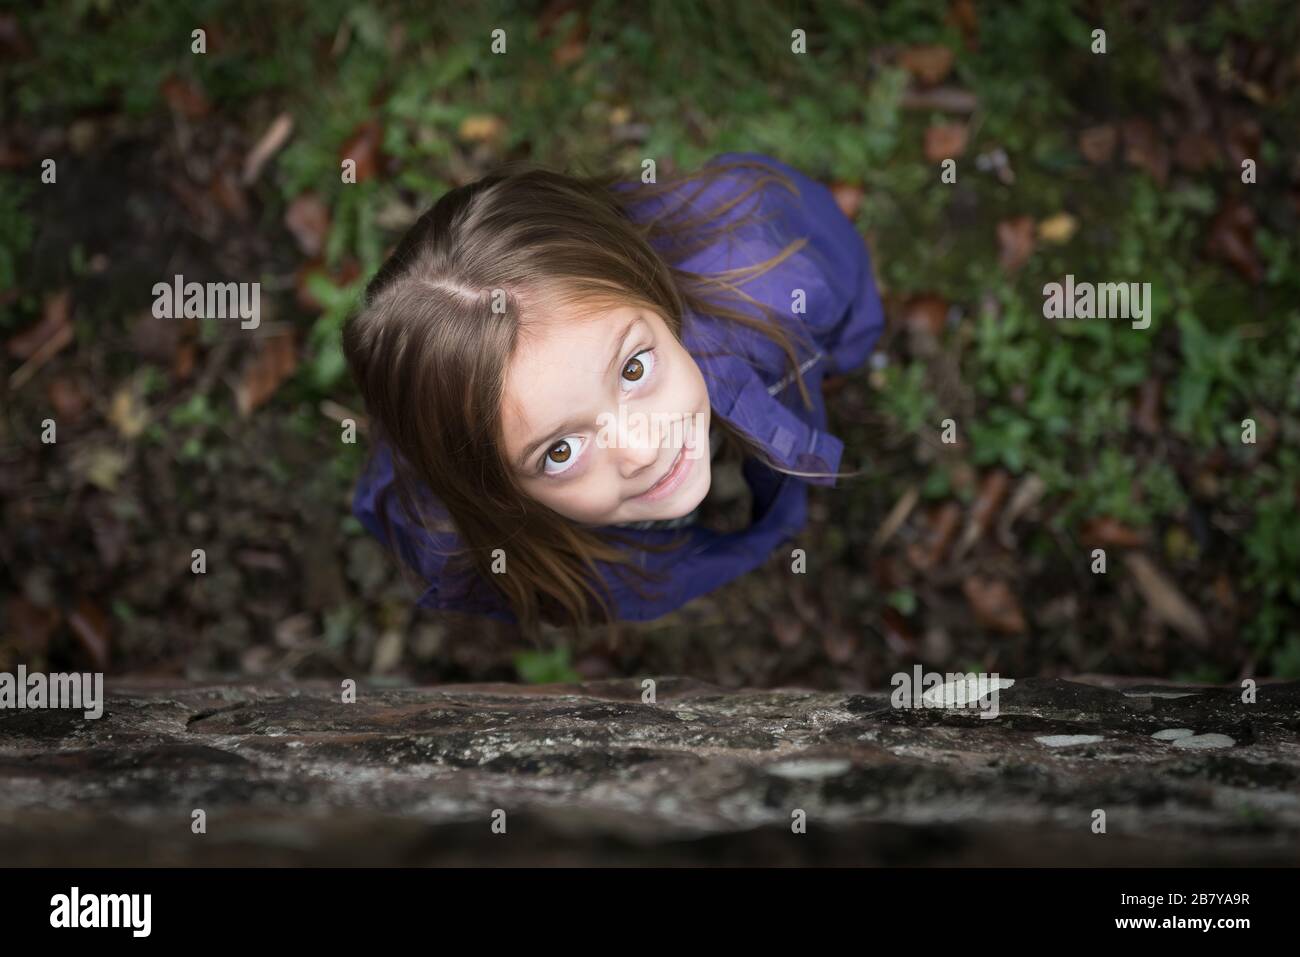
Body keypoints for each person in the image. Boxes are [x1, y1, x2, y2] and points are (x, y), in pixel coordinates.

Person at [343, 151, 884, 635]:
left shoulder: (766, 272)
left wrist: (843, 355)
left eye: (633, 370)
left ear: (650, 284)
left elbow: (841, 278)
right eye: (561, 451)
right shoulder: (458, 548)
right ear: (492, 489)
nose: (642, 449)